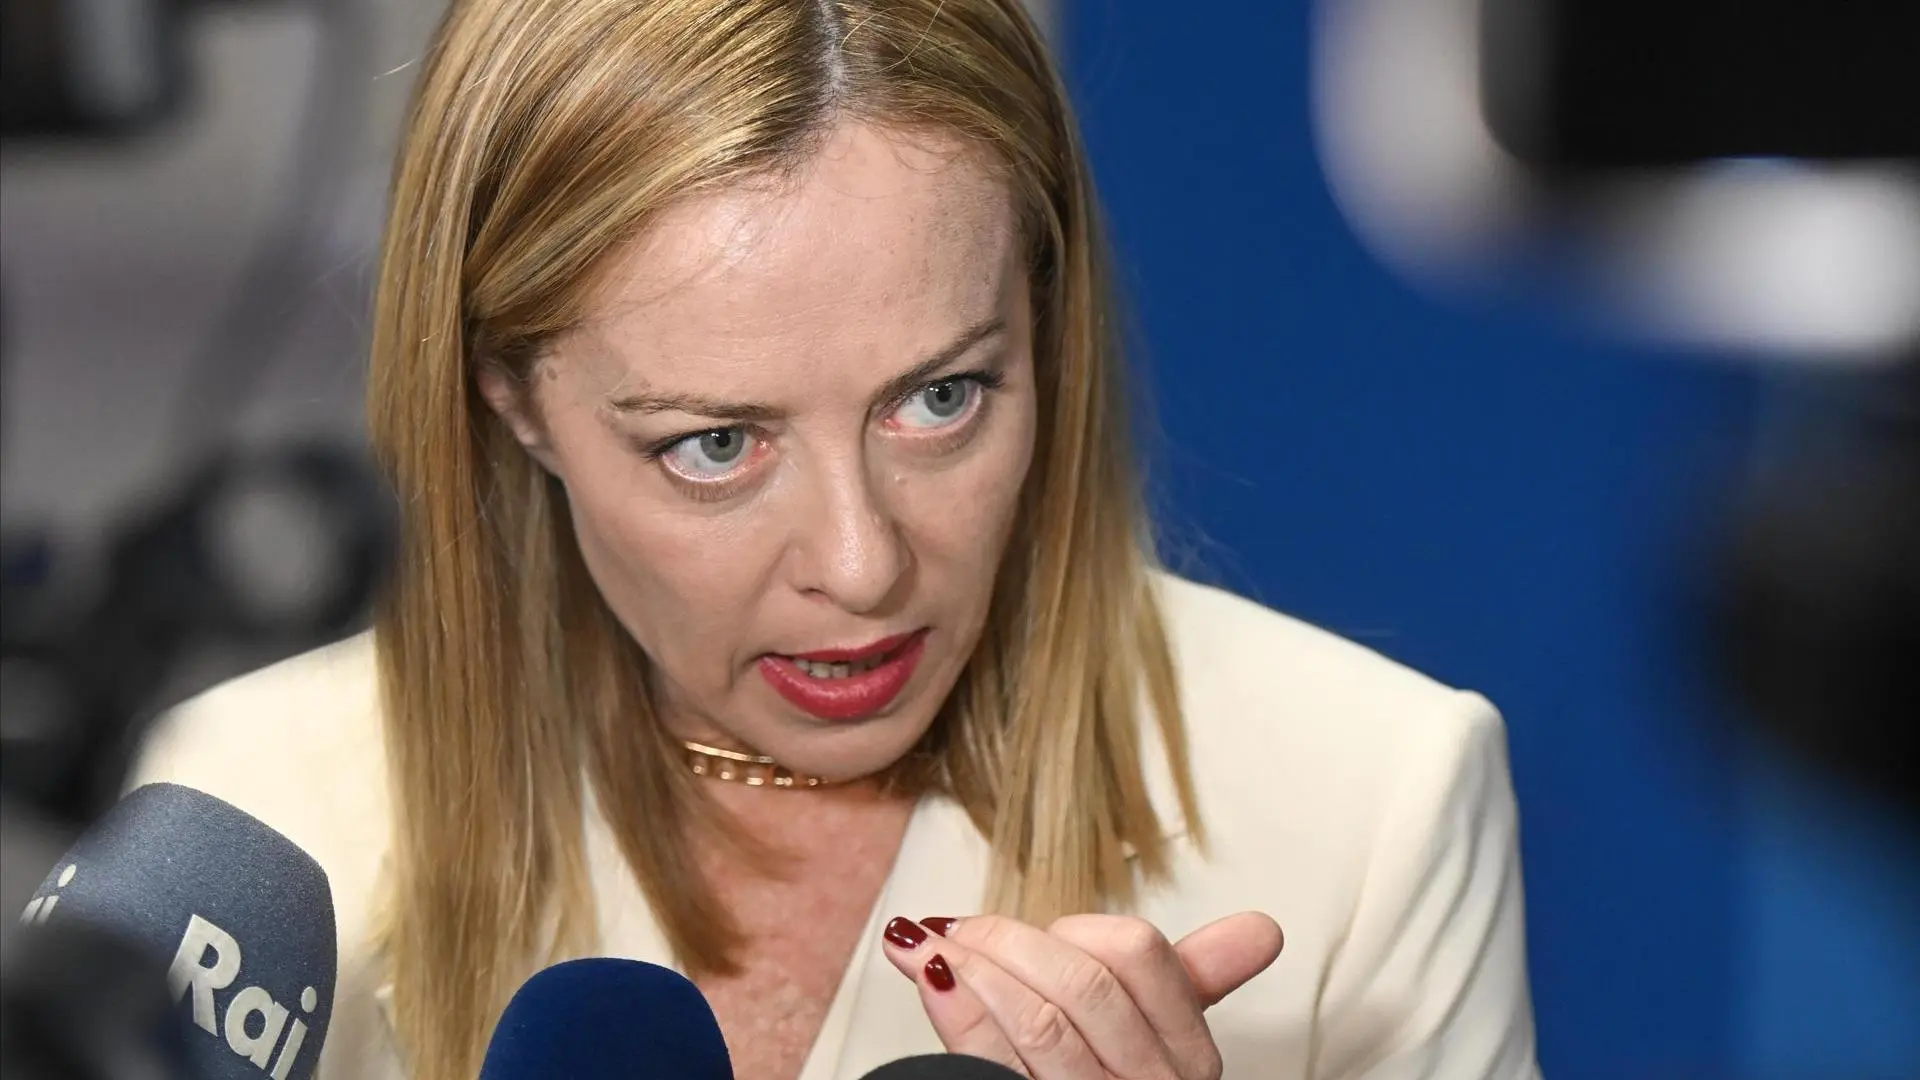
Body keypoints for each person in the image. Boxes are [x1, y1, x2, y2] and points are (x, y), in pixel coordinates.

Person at [130, 0, 1541, 1077]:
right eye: (715, 446)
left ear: (1044, 323)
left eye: (942, 398)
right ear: (514, 400)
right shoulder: (251, 819)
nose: (863, 566)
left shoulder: (1373, 802)